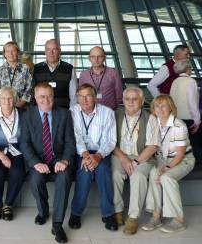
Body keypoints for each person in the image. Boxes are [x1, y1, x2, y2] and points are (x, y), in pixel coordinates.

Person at [20, 82, 76, 244]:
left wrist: (65, 160)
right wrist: (35, 162)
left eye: (50, 96)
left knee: (64, 177)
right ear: (36, 98)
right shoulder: (27, 115)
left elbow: (70, 142)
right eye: (42, 97)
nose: (47, 100)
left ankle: (57, 224)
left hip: (59, 159)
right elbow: (24, 143)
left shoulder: (64, 114)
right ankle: (43, 211)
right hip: (38, 160)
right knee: (36, 179)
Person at [142, 95, 195, 233]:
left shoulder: (179, 125)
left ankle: (178, 220)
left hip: (183, 160)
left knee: (166, 177)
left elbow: (180, 154)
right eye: (156, 106)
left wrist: (166, 168)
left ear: (170, 107)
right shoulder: (154, 121)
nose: (159, 109)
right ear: (153, 108)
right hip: (163, 159)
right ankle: (156, 216)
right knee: (154, 173)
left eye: (163, 105)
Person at [69, 83, 118, 231]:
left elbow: (110, 141)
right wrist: (85, 155)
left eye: (88, 96)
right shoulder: (73, 111)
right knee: (84, 171)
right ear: (77, 98)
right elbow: (75, 137)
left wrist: (97, 156)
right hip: (81, 152)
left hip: (101, 152)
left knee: (103, 170)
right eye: (81, 97)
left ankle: (108, 213)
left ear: (95, 97)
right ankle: (76, 213)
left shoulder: (107, 112)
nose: (84, 100)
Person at [112, 87, 160, 234]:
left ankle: (133, 217)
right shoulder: (115, 115)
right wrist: (124, 159)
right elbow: (110, 142)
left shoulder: (150, 117)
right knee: (116, 174)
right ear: (123, 100)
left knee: (138, 176)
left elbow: (153, 146)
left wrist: (136, 162)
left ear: (142, 100)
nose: (131, 102)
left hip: (143, 156)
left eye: (135, 99)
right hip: (120, 154)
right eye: (127, 99)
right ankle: (117, 211)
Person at [0, 86, 26, 221]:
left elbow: (27, 138)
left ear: (15, 100)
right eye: (3, 98)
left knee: (18, 172)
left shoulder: (24, 114)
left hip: (18, 152)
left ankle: (8, 204)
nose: (7, 101)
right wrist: (2, 157)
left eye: (10, 98)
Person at [170, 59, 201, 161]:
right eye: (190, 67)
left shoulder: (174, 82)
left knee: (181, 142)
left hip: (176, 118)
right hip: (189, 119)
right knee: (194, 143)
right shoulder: (191, 81)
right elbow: (193, 103)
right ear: (187, 68)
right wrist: (197, 121)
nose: (191, 69)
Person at [33, 39, 77, 108]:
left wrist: (71, 113)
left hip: (63, 112)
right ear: (45, 52)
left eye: (54, 49)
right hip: (42, 112)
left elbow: (73, 96)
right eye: (48, 50)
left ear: (59, 51)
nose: (51, 53)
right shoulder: (36, 69)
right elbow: (33, 94)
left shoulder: (69, 69)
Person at [79, 46, 123, 110]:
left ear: (104, 58)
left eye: (99, 56)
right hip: (90, 111)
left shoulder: (113, 73)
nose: (96, 59)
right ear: (89, 58)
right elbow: (81, 94)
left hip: (110, 111)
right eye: (93, 57)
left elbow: (119, 94)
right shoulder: (83, 75)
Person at [0, 41, 33, 108]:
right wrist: (4, 105)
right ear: (4, 54)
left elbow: (30, 88)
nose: (11, 54)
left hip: (22, 107)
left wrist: (21, 102)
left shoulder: (25, 69)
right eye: (8, 51)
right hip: (4, 107)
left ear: (17, 52)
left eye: (13, 51)